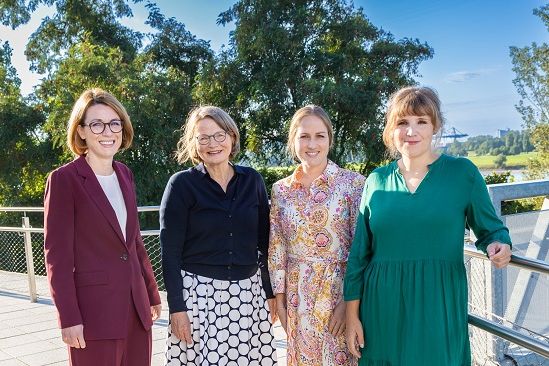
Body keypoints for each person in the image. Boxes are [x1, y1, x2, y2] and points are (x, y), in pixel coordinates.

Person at [344, 86, 512, 365]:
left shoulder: (463, 174)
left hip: (438, 304)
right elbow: (359, 254)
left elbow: (491, 229)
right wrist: (352, 316)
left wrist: (499, 244)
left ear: (435, 126)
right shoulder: (376, 180)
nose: (412, 131)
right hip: (381, 308)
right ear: (391, 130)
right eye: (402, 122)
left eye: (421, 121)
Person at [43, 88, 162, 366]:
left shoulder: (124, 174)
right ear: (82, 131)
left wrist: (151, 293)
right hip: (93, 316)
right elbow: (57, 259)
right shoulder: (64, 180)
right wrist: (68, 318)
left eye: (114, 123)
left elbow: (132, 242)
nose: (107, 131)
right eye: (96, 123)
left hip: (136, 310)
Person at [160, 106, 278, 366]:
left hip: (248, 296)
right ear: (194, 143)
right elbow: (170, 255)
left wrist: (269, 293)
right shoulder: (181, 185)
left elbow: (265, 244)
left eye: (219, 135)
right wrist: (177, 309)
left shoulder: (252, 180)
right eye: (203, 137)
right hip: (198, 297)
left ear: (232, 137)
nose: (212, 144)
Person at [268, 105, 365, 366]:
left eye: (320, 136)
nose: (312, 144)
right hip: (297, 297)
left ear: (330, 140)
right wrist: (280, 302)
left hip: (340, 294)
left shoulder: (353, 184)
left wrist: (349, 303)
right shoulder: (281, 190)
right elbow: (276, 248)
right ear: (293, 141)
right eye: (304, 136)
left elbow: (362, 247)